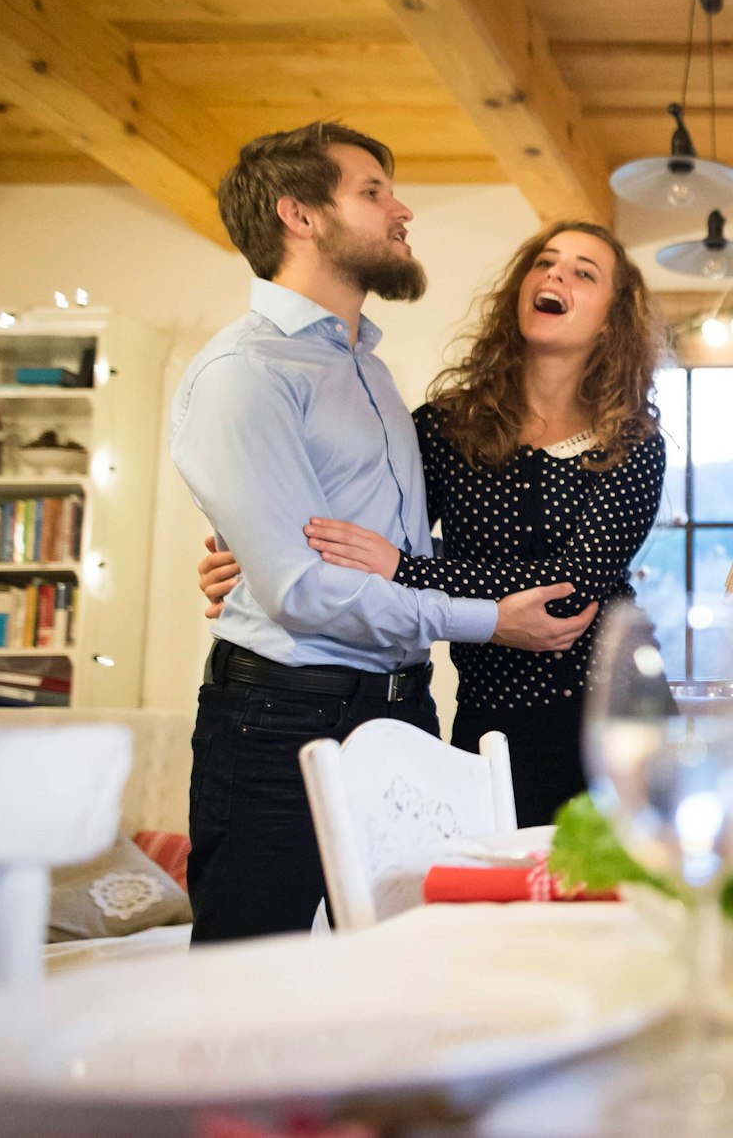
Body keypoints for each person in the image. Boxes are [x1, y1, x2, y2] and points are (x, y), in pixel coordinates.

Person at [173, 123, 594, 942]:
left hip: (405, 713)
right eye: (372, 191)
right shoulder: (244, 374)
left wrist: (251, 559)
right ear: (300, 215)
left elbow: (380, 552)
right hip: (280, 722)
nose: (401, 209)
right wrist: (489, 618)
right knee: (254, 987)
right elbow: (299, 591)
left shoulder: (370, 369)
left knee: (416, 969)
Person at [206, 222, 667, 828]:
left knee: (624, 906)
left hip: (617, 716)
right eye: (545, 263)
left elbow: (572, 584)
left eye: (584, 273)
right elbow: (366, 532)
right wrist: (257, 553)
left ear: (610, 322)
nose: (556, 275)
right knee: (494, 907)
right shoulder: (447, 426)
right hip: (490, 714)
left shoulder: (631, 441)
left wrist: (407, 568)